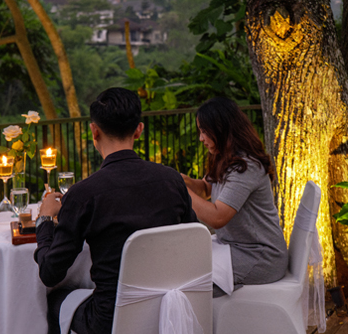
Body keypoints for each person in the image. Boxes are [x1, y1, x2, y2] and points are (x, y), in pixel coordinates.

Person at [34, 87, 197, 334]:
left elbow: (49, 273)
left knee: (55, 298)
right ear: (139, 130)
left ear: (94, 131)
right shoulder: (171, 180)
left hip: (109, 320)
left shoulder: (84, 194)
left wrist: (45, 219)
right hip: (166, 310)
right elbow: (192, 239)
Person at [181, 97, 288, 297]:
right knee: (183, 265)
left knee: (190, 284)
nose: (201, 138)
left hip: (261, 257)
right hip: (235, 248)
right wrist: (182, 180)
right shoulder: (225, 158)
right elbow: (205, 188)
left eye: (204, 131)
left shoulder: (246, 166)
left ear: (221, 130)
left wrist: (182, 191)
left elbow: (218, 217)